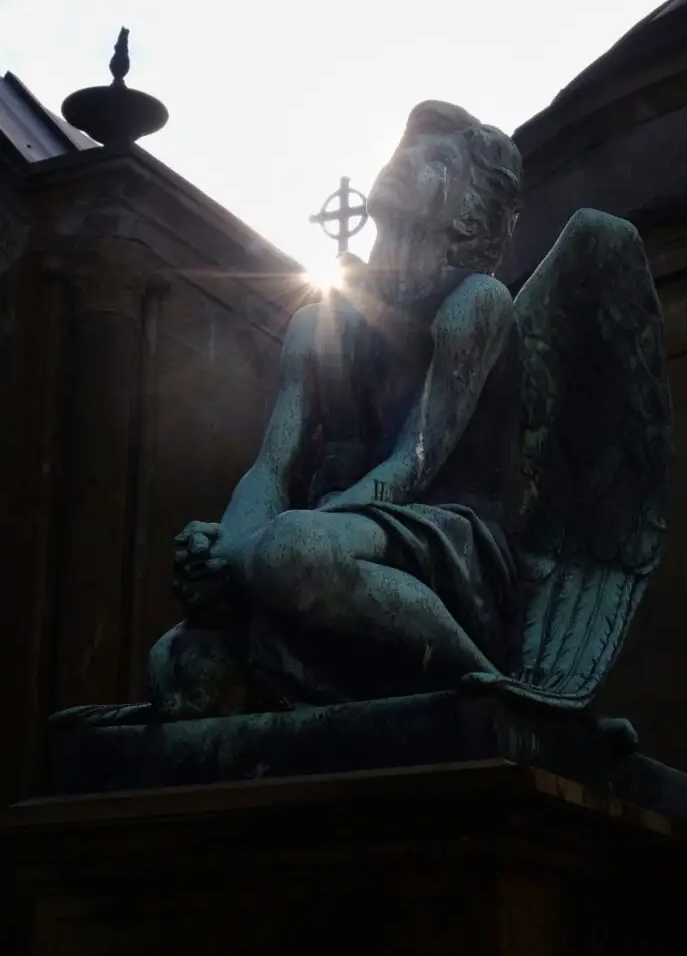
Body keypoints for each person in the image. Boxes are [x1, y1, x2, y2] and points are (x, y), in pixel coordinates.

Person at [153, 100, 525, 718]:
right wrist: (224, 549)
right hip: (326, 531)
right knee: (182, 667)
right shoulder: (317, 322)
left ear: (467, 213)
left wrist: (257, 552)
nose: (405, 161)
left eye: (438, 160)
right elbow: (273, 465)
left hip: (436, 536)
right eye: (406, 148)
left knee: (291, 553)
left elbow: (415, 461)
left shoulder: (475, 302)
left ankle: (486, 680)